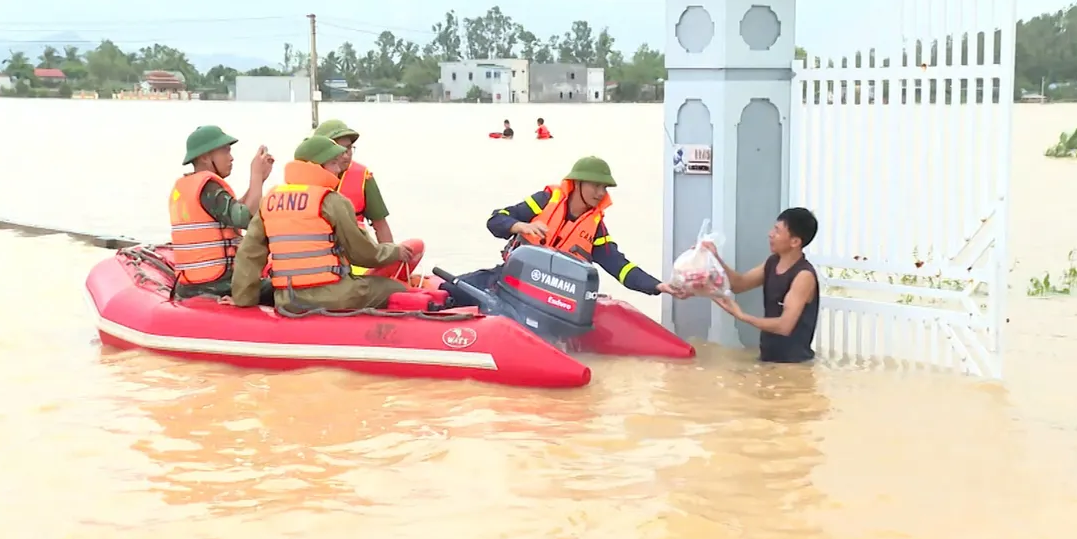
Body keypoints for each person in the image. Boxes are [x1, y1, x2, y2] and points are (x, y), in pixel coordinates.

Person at [440, 156, 687, 306]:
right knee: (449, 290)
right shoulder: (545, 200)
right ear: (577, 183)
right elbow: (496, 220)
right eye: (596, 186)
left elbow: (619, 266)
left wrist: (657, 286)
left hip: (557, 295)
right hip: (513, 279)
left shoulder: (596, 226)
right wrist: (521, 225)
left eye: (605, 187)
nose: (601, 193)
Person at [230, 136, 417, 313]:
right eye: (333, 163)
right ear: (316, 166)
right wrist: (395, 251)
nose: (338, 170)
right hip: (331, 296)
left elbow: (249, 254)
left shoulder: (270, 200)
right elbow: (362, 253)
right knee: (394, 288)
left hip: (286, 299)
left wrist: (242, 299)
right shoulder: (331, 200)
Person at [168, 124, 273, 300]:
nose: (231, 158)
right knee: (281, 289)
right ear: (205, 157)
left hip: (190, 284)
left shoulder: (193, 186)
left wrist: (259, 180)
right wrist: (255, 176)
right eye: (225, 151)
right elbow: (246, 218)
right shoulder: (208, 188)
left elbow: (237, 210)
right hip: (218, 285)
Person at [707, 207, 820, 363]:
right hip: (768, 359)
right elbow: (738, 284)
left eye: (777, 231)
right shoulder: (772, 263)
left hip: (794, 364)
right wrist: (714, 258)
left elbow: (784, 326)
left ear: (795, 242)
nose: (770, 234)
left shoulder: (804, 276)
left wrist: (742, 316)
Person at [312, 119, 395, 243]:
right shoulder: (303, 179)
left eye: (348, 148)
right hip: (316, 251)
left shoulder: (363, 178)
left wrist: (391, 253)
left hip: (353, 252)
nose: (346, 155)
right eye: (338, 150)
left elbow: (381, 226)